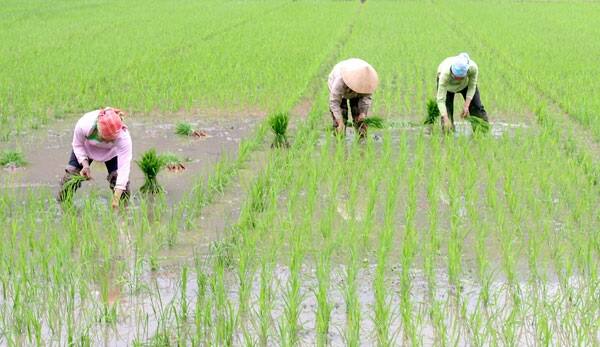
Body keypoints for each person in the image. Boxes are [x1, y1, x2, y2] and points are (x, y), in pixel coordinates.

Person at [57, 107, 132, 208]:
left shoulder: (123, 137)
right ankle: (63, 208)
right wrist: (85, 164)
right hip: (86, 148)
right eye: (105, 139)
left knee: (121, 188)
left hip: (112, 153)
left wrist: (116, 199)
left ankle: (123, 211)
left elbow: (124, 169)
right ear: (98, 130)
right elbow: (77, 145)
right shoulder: (84, 124)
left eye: (111, 140)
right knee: (70, 179)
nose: (107, 142)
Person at [436, 53, 488, 131]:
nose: (458, 80)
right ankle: (448, 134)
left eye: (461, 77)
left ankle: (482, 132)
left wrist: (466, 106)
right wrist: (446, 118)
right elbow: (440, 99)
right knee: (447, 112)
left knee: (476, 107)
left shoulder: (472, 68)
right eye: (456, 77)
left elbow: (472, 86)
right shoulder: (444, 74)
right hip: (448, 87)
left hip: (465, 85)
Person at [328, 58, 379, 138]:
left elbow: (366, 97)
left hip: (357, 93)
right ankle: (339, 140)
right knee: (341, 117)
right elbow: (334, 103)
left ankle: (362, 142)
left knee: (360, 119)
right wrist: (340, 121)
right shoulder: (339, 81)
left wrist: (363, 113)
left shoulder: (367, 80)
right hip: (340, 91)